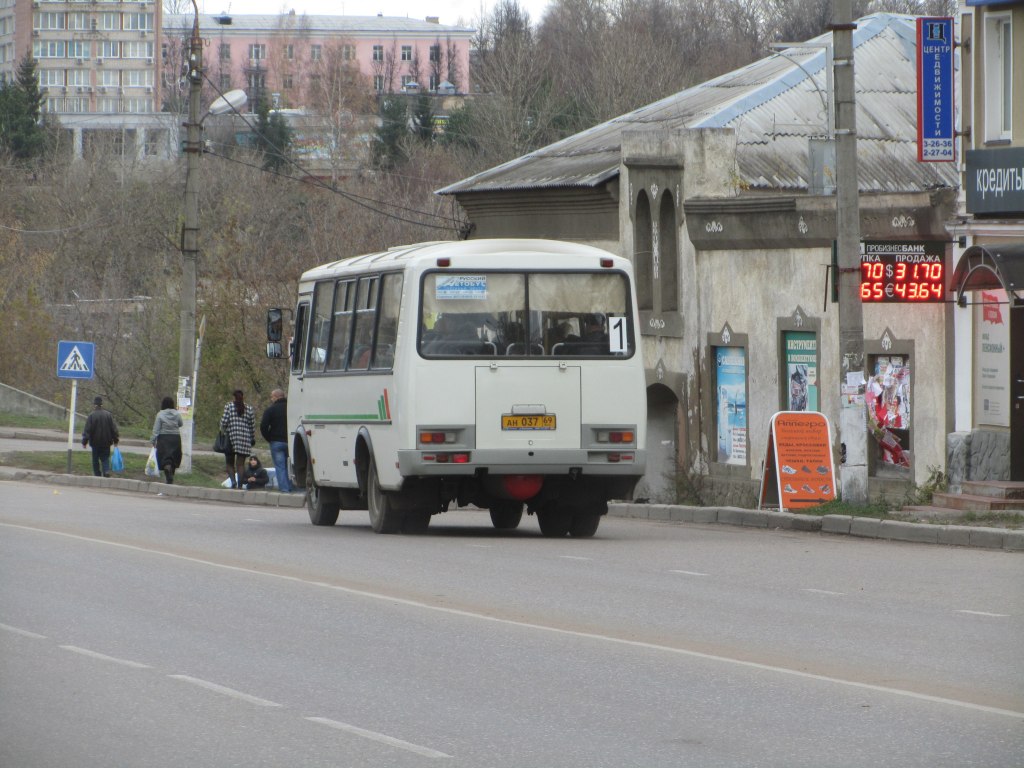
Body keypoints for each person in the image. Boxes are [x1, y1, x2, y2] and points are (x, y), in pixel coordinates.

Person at [220, 389, 255, 489]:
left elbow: (224, 422)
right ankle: (240, 485)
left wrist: (222, 430)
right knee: (240, 464)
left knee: (229, 463)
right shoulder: (249, 408)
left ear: (233, 397)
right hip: (244, 438)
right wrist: (252, 437)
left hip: (231, 437)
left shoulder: (229, 406)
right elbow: (252, 425)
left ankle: (233, 482)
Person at [259, 388, 292, 492]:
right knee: (290, 466)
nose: (271, 399)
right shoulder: (291, 408)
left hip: (276, 442)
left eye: (272, 396)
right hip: (291, 442)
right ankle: (293, 487)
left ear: (276, 397)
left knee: (280, 467)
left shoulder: (270, 410)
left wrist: (270, 438)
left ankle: (285, 489)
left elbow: (263, 426)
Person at [81, 396, 119, 478]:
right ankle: (106, 471)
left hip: (95, 442)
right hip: (106, 442)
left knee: (95, 460)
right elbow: (114, 429)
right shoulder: (108, 415)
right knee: (105, 458)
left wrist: (84, 442)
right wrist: (116, 440)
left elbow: (87, 430)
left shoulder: (91, 416)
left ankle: (97, 475)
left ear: (94, 405)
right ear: (101, 405)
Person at [151, 396, 183, 484]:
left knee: (165, 457)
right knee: (174, 456)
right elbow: (180, 423)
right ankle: (170, 476)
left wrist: (153, 440)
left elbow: (156, 429)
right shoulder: (177, 414)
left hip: (164, 438)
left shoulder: (160, 414)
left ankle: (168, 471)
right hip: (175, 437)